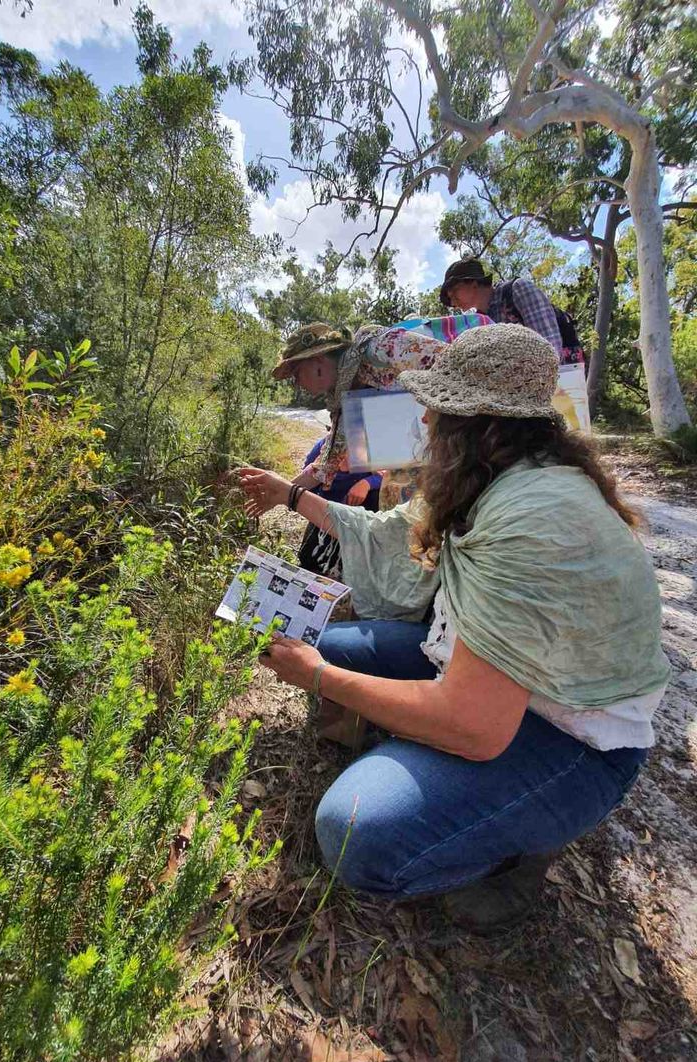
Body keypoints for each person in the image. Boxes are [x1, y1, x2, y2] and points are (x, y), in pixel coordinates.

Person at [237, 323, 668, 934]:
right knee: (329, 642)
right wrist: (290, 496)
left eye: (436, 409)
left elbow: (474, 726)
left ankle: (516, 847)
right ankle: (432, 769)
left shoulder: (528, 519)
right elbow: (385, 532)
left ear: (472, 423)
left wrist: (321, 679)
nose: (426, 423)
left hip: (572, 737)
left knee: (353, 833)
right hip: (495, 682)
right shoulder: (500, 478)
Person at [271, 317, 489, 495]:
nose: (297, 384)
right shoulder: (345, 405)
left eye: (296, 375)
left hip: (478, 436)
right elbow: (325, 466)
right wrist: (280, 492)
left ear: (317, 362)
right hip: (438, 461)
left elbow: (455, 365)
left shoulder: (380, 347)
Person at [440, 257, 567, 359]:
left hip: (562, 378)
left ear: (473, 282)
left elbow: (550, 347)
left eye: (454, 291)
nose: (453, 301)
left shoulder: (518, 289)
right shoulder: (479, 323)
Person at [296, 435, 381, 577]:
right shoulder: (324, 446)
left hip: (356, 520)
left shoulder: (374, 449)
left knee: (376, 495)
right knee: (308, 563)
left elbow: (390, 476)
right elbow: (305, 487)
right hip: (325, 515)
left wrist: (366, 483)